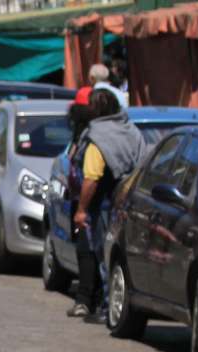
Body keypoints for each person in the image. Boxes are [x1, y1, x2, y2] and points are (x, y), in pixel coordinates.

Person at [69, 86, 147, 320]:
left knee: (104, 256)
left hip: (104, 205)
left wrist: (81, 210)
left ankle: (106, 309)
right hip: (129, 203)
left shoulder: (96, 138)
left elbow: (91, 179)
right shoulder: (132, 131)